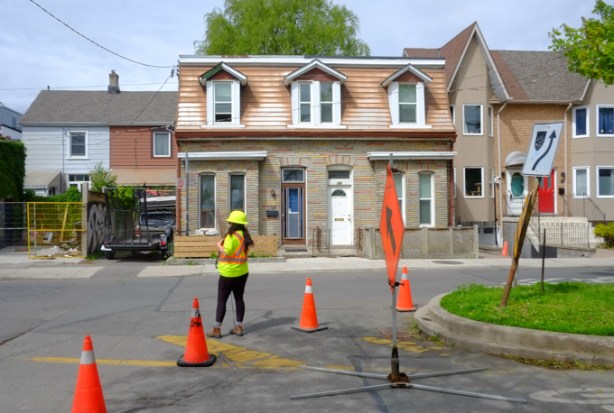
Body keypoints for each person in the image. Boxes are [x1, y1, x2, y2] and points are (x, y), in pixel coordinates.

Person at [208, 210, 254, 338]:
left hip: (228, 273)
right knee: (239, 299)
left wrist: (219, 245)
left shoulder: (231, 236)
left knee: (222, 300)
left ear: (232, 223)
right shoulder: (244, 235)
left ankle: (216, 329)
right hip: (242, 272)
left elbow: (227, 252)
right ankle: (238, 327)